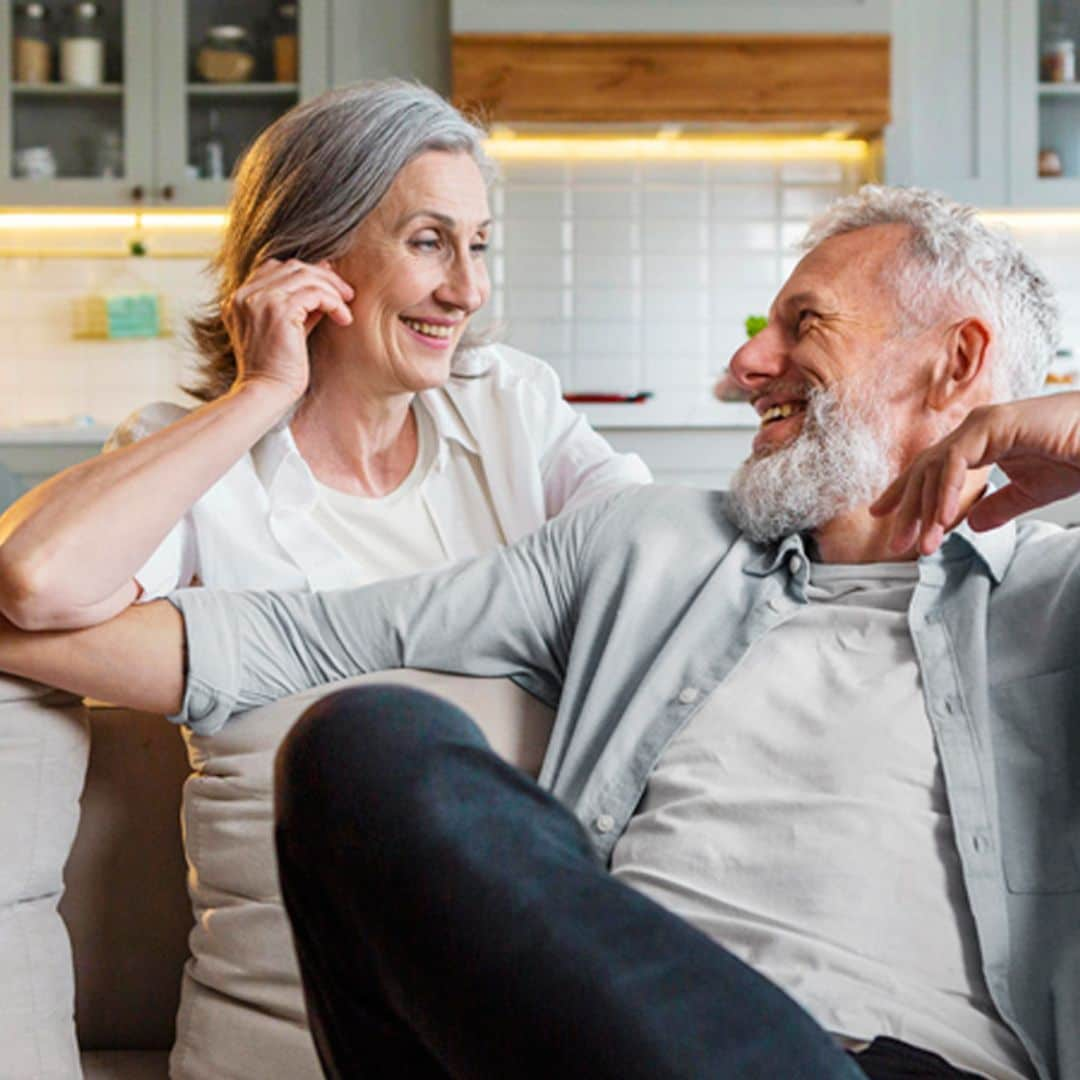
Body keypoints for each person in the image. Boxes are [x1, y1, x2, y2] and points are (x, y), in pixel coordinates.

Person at [2, 185, 1077, 1079]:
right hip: (581, 1041)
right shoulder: (646, 544)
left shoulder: (1056, 594)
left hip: (887, 1065)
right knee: (365, 746)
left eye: (807, 324)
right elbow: (279, 640)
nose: (747, 366)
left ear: (956, 362)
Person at [0, 80, 648, 632]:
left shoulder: (506, 398)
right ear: (308, 253)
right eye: (428, 242)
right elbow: (36, 579)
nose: (468, 291)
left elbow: (649, 546)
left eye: (476, 245)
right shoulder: (197, 463)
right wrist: (261, 391)